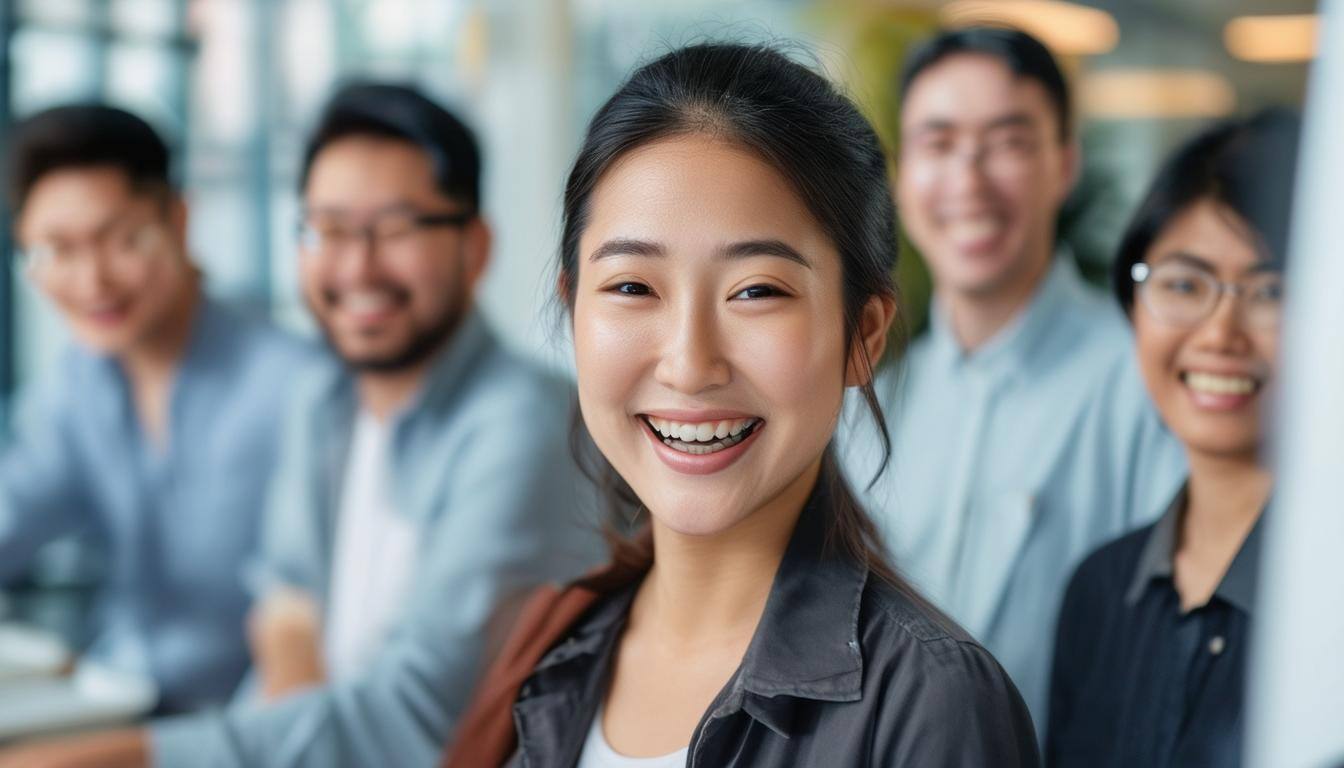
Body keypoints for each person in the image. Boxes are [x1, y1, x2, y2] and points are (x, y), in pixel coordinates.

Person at [443, 42, 1039, 767]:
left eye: (756, 291)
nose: (690, 365)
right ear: (574, 313)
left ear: (863, 335)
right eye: (633, 287)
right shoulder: (551, 651)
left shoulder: (932, 702)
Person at [0, 83, 605, 768]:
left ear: (475, 245)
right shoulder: (329, 399)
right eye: (328, 230)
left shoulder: (519, 425)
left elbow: (412, 716)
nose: (356, 265)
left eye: (398, 227)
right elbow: (286, 600)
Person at [838, 27, 1186, 724]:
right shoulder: (872, 401)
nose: (969, 181)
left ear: (1064, 165)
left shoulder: (1147, 381)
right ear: (904, 180)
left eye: (1008, 142)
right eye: (938, 144)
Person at [0, 105, 310, 713]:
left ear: (179, 218)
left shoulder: (294, 384)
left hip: (243, 729)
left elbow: (306, 637)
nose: (92, 280)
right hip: (114, 698)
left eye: (121, 240)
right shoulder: (76, 383)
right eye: (55, 250)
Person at [1046, 110, 1300, 767]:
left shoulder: (1323, 591)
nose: (1220, 334)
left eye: (1271, 291)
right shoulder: (1098, 592)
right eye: (1184, 284)